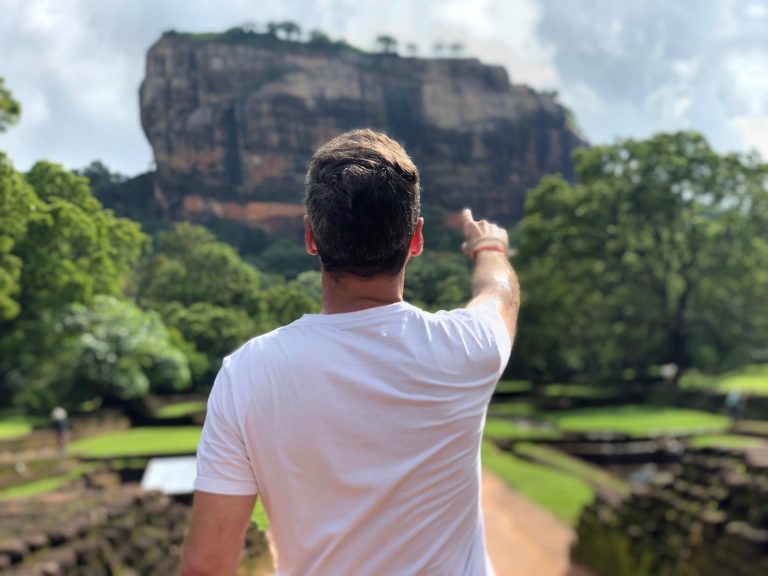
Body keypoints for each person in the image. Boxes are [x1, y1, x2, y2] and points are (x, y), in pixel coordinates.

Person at [180, 129, 520, 576]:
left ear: (311, 237)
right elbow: (500, 294)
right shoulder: (465, 349)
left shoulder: (247, 373)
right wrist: (489, 248)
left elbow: (207, 564)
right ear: (416, 239)